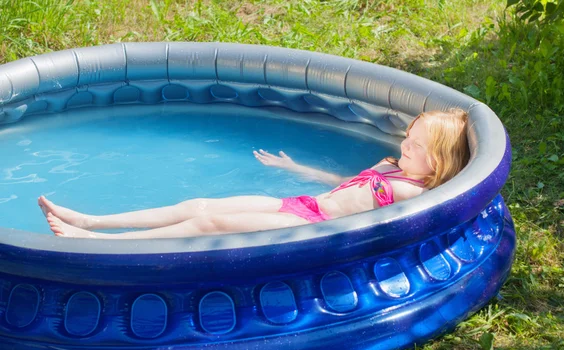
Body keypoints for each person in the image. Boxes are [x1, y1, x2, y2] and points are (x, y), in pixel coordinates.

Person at [39, 109, 470, 239]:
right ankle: (90, 220)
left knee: (211, 224)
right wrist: (294, 167)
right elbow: (344, 186)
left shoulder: (414, 194)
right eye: (408, 137)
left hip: (313, 224)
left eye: (415, 145)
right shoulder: (392, 168)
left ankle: (103, 243)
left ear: (439, 161)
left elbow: (385, 225)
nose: (403, 146)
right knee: (198, 205)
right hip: (302, 205)